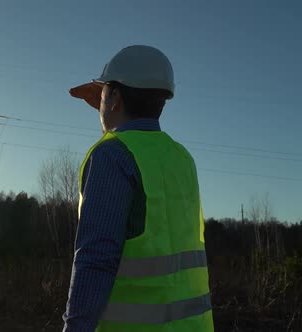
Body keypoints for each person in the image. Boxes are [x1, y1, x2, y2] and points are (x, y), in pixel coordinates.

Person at [62, 45, 213, 331]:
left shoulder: (111, 156)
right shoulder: (182, 158)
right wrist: (110, 105)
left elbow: (95, 260)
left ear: (116, 97)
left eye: (104, 92)